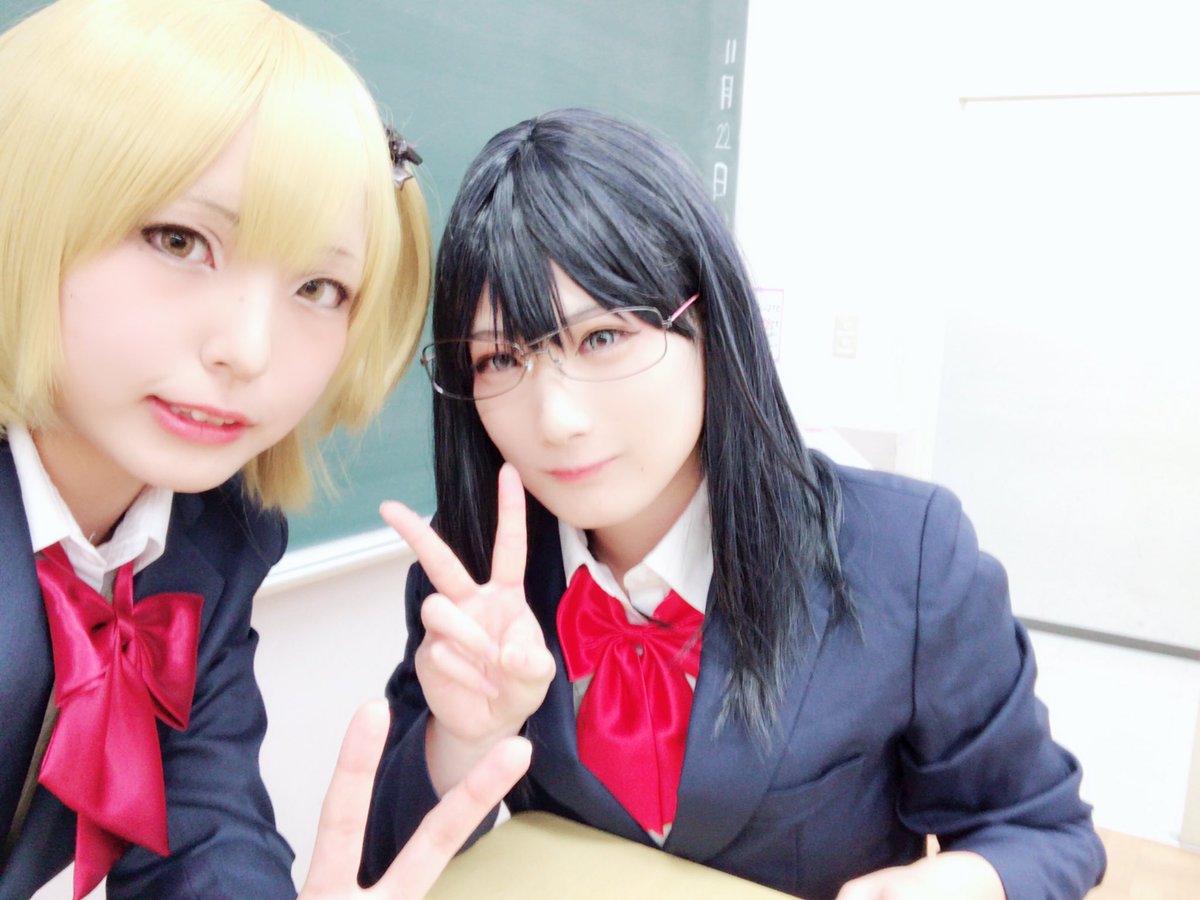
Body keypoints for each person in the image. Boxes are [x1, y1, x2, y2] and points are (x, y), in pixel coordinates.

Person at [360, 107, 1108, 899]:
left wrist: (963, 882)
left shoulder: (906, 554)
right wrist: (464, 741)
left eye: (602, 337)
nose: (555, 419)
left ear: (709, 322)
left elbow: (1042, 829)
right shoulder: (475, 572)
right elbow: (385, 864)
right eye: (500, 358)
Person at [0, 1, 529, 897]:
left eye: (319, 287)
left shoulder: (212, 536)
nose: (248, 351)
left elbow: (204, 828)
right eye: (179, 240)